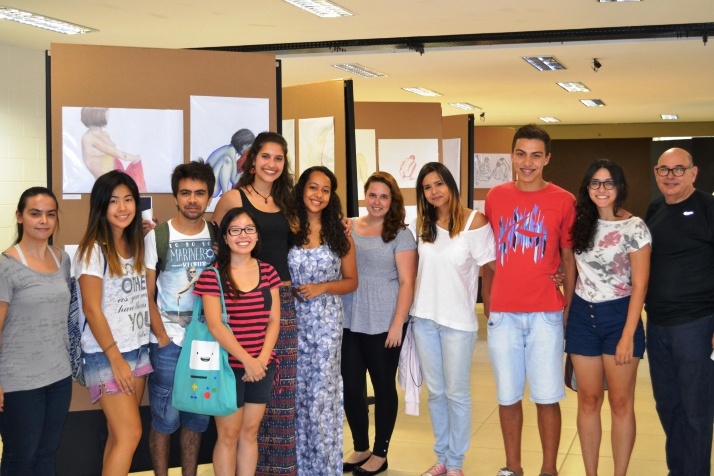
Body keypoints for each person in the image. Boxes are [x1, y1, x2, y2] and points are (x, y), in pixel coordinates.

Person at [482, 124, 576, 476]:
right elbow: (489, 254)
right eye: (521, 154)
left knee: (547, 396)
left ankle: (549, 469)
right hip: (503, 315)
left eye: (536, 155)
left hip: (546, 315)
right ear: (512, 156)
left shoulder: (564, 200)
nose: (527, 162)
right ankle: (514, 468)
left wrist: (567, 304)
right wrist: (490, 304)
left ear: (547, 159)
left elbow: (568, 258)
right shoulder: (496, 197)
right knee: (507, 397)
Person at [211, 131, 300, 476]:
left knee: (278, 396)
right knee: (238, 409)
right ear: (252, 160)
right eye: (266, 157)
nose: (272, 164)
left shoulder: (288, 202)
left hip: (283, 305)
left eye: (279, 159)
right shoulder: (233, 197)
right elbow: (217, 246)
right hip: (242, 305)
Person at [410, 162, 496, 476]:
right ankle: (442, 458)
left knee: (456, 393)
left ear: (450, 184)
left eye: (438, 184)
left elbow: (491, 270)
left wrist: (493, 308)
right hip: (424, 319)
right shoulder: (423, 222)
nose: (434, 192)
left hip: (458, 322)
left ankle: (456, 462)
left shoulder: (475, 221)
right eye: (427, 187)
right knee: (435, 392)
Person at [567, 159, 650, 476]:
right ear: (587, 188)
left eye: (608, 183)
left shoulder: (634, 227)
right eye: (595, 183)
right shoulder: (580, 223)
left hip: (619, 317)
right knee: (588, 401)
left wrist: (628, 334)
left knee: (620, 402)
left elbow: (640, 284)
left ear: (619, 187)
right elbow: (575, 268)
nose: (602, 189)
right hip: (582, 317)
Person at [75, 170, 152, 476]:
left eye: (129, 199)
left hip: (137, 350)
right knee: (131, 434)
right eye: (114, 201)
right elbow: (92, 310)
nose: (123, 207)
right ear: (101, 207)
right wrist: (115, 358)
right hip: (109, 356)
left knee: (119, 435)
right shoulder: (94, 249)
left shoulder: (134, 245)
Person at [194, 207, 281, 476]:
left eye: (249, 229)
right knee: (228, 435)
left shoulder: (268, 271)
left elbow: (274, 320)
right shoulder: (213, 275)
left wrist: (261, 361)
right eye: (235, 230)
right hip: (226, 368)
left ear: (256, 236)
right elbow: (215, 325)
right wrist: (247, 361)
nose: (243, 235)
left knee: (250, 432)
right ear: (225, 238)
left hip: (261, 366)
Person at [341, 171, 417, 476]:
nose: (377, 202)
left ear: (392, 200)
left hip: (385, 321)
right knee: (351, 386)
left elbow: (407, 282)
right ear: (364, 196)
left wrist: (398, 323)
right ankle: (361, 446)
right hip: (348, 318)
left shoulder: (400, 234)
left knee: (384, 387)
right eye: (372, 195)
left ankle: (380, 452)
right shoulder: (347, 226)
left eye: (384, 196)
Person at [144, 160, 216, 476]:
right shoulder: (157, 237)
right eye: (185, 192)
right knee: (164, 420)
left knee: (196, 420)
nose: (192, 200)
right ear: (175, 196)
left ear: (210, 197)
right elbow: (145, 295)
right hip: (168, 344)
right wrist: (161, 337)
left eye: (199, 193)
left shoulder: (218, 235)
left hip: (206, 344)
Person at [645, 147, 714, 476]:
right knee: (667, 405)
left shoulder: (708, 208)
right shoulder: (655, 208)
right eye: (664, 169)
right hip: (657, 325)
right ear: (656, 173)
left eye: (678, 169)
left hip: (696, 326)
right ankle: (679, 470)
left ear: (693, 173)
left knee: (696, 410)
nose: (670, 176)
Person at [289, 166, 358, 476]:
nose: (318, 195)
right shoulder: (286, 227)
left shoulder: (338, 232)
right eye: (313, 187)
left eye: (325, 190)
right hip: (290, 324)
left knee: (320, 397)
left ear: (332, 196)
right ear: (302, 189)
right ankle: (297, 467)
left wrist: (322, 287)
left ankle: (325, 468)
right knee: (293, 397)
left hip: (326, 326)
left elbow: (351, 281)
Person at [0, 187, 72, 476]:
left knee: (46, 453)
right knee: (20, 458)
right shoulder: (6, 266)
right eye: (35, 213)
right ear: (19, 217)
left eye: (50, 214)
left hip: (58, 377)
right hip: (18, 382)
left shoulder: (62, 260)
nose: (43, 220)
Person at [80, 107, 146, 192]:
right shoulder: (89, 138)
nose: (108, 117)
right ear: (98, 115)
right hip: (109, 184)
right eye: (106, 114)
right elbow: (122, 155)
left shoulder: (103, 134)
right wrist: (136, 158)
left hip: (117, 177)